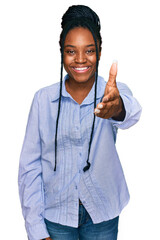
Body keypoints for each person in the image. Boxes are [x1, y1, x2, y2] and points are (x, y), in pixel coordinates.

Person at [18, 5, 142, 240]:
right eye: (71, 51)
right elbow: (29, 166)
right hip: (56, 215)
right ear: (62, 53)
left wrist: (116, 108)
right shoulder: (43, 100)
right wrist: (35, 229)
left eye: (90, 50)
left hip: (102, 214)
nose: (81, 59)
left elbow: (131, 112)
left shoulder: (111, 93)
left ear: (100, 52)